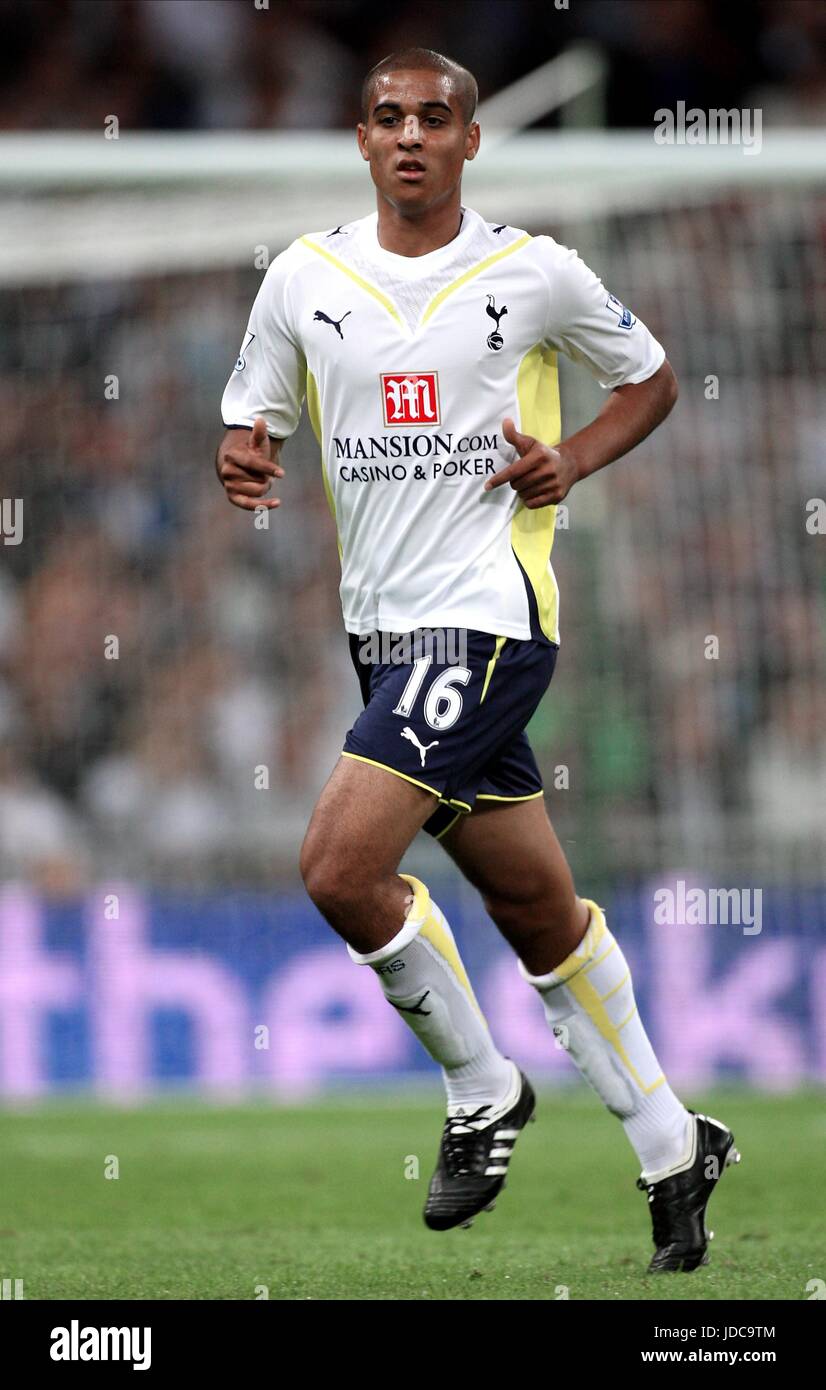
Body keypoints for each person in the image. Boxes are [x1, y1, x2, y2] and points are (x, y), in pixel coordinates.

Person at [215, 47, 739, 1272]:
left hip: (488, 618)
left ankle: (480, 1091)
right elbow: (253, 422)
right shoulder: (303, 278)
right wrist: (241, 459)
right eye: (387, 117)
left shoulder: (534, 272)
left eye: (433, 117)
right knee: (535, 909)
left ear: (469, 141)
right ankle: (674, 1145)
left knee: (341, 868)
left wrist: (576, 458)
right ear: (361, 141)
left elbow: (651, 381)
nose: (409, 134)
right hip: (383, 634)